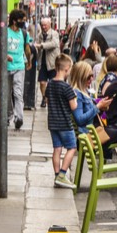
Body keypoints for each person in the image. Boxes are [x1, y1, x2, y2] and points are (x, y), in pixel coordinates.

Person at [46, 55, 78, 188]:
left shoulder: (50, 84)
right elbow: (73, 106)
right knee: (72, 148)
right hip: (65, 123)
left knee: (57, 149)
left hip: (53, 123)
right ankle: (62, 175)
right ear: (66, 68)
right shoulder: (66, 88)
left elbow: (47, 101)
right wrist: (74, 98)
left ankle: (56, 175)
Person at [5, 8, 31, 130]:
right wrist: (5, 56)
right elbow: (0, 48)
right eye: (22, 20)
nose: (23, 23)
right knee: (6, 93)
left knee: (18, 93)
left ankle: (19, 118)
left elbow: (27, 49)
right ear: (14, 21)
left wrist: (29, 61)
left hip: (19, 66)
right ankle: (9, 114)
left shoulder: (24, 33)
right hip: (6, 67)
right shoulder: (5, 32)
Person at [69, 61, 99, 135]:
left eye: (92, 76)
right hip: (87, 134)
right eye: (88, 77)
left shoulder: (86, 91)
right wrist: (97, 107)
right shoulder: (77, 94)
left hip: (92, 132)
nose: (91, 79)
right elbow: (79, 119)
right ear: (81, 77)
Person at [35, 18, 61, 106]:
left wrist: (41, 45)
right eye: (42, 25)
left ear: (50, 24)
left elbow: (54, 44)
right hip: (42, 62)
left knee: (52, 82)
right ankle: (44, 98)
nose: (44, 27)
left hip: (52, 62)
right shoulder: (40, 35)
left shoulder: (54, 34)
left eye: (45, 25)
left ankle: (52, 99)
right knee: (42, 82)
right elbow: (36, 44)